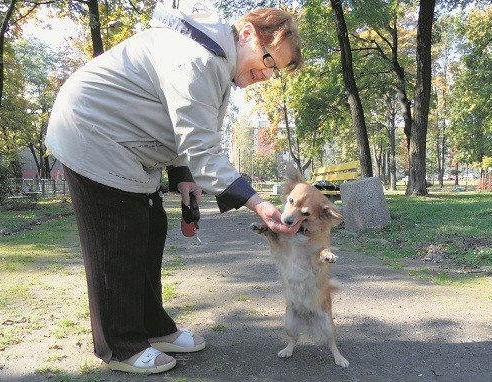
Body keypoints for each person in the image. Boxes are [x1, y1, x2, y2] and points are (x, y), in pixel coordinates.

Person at [45, 3, 303, 375]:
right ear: (248, 34)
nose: (266, 74)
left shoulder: (216, 61)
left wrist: (182, 174)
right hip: (93, 134)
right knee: (118, 240)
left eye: (274, 70)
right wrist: (259, 204)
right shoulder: (200, 60)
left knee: (151, 229)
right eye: (268, 60)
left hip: (123, 144)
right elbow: (202, 148)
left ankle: (153, 328)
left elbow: (183, 125)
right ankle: (120, 345)